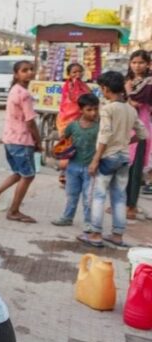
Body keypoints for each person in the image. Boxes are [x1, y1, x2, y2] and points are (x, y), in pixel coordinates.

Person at [79, 71, 147, 248]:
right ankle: (117, 235)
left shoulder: (108, 109)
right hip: (125, 157)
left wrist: (95, 159)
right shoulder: (130, 109)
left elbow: (105, 135)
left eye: (101, 88)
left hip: (108, 156)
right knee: (119, 197)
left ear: (105, 89)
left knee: (98, 195)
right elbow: (143, 134)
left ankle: (95, 234)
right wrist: (125, 140)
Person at [0, 60, 40, 223]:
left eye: (31, 69)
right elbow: (30, 122)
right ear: (16, 74)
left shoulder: (14, 90)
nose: (29, 72)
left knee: (18, 173)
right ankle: (14, 211)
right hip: (21, 140)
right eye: (24, 70)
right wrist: (38, 140)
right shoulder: (24, 94)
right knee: (28, 176)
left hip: (10, 140)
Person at [52, 93, 100, 228]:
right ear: (81, 110)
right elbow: (64, 139)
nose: (93, 112)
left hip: (91, 168)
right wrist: (62, 152)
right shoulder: (73, 126)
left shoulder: (100, 127)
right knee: (71, 194)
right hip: (73, 166)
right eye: (89, 110)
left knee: (88, 198)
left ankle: (88, 222)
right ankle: (67, 217)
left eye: (96, 109)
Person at [125, 50, 152, 220]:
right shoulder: (128, 81)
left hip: (140, 128)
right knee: (123, 167)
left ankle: (131, 206)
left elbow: (136, 102)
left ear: (148, 64)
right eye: (134, 62)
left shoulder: (148, 84)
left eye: (141, 62)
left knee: (135, 169)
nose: (137, 66)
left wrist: (128, 94)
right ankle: (122, 202)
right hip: (125, 127)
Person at [57, 62, 89, 135]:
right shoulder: (69, 85)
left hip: (81, 114)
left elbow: (89, 93)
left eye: (80, 71)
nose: (78, 74)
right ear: (69, 74)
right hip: (69, 114)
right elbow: (73, 98)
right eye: (74, 72)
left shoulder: (82, 84)